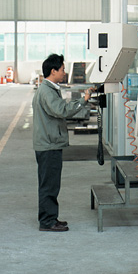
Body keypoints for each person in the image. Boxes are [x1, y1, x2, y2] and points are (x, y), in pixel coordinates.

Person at [31, 54, 92, 232]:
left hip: (49, 142)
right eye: (62, 70)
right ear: (53, 71)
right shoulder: (47, 91)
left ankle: (51, 217)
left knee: (50, 184)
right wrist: (83, 101)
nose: (64, 73)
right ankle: (47, 222)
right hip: (49, 145)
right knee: (49, 185)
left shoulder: (49, 89)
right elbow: (62, 110)